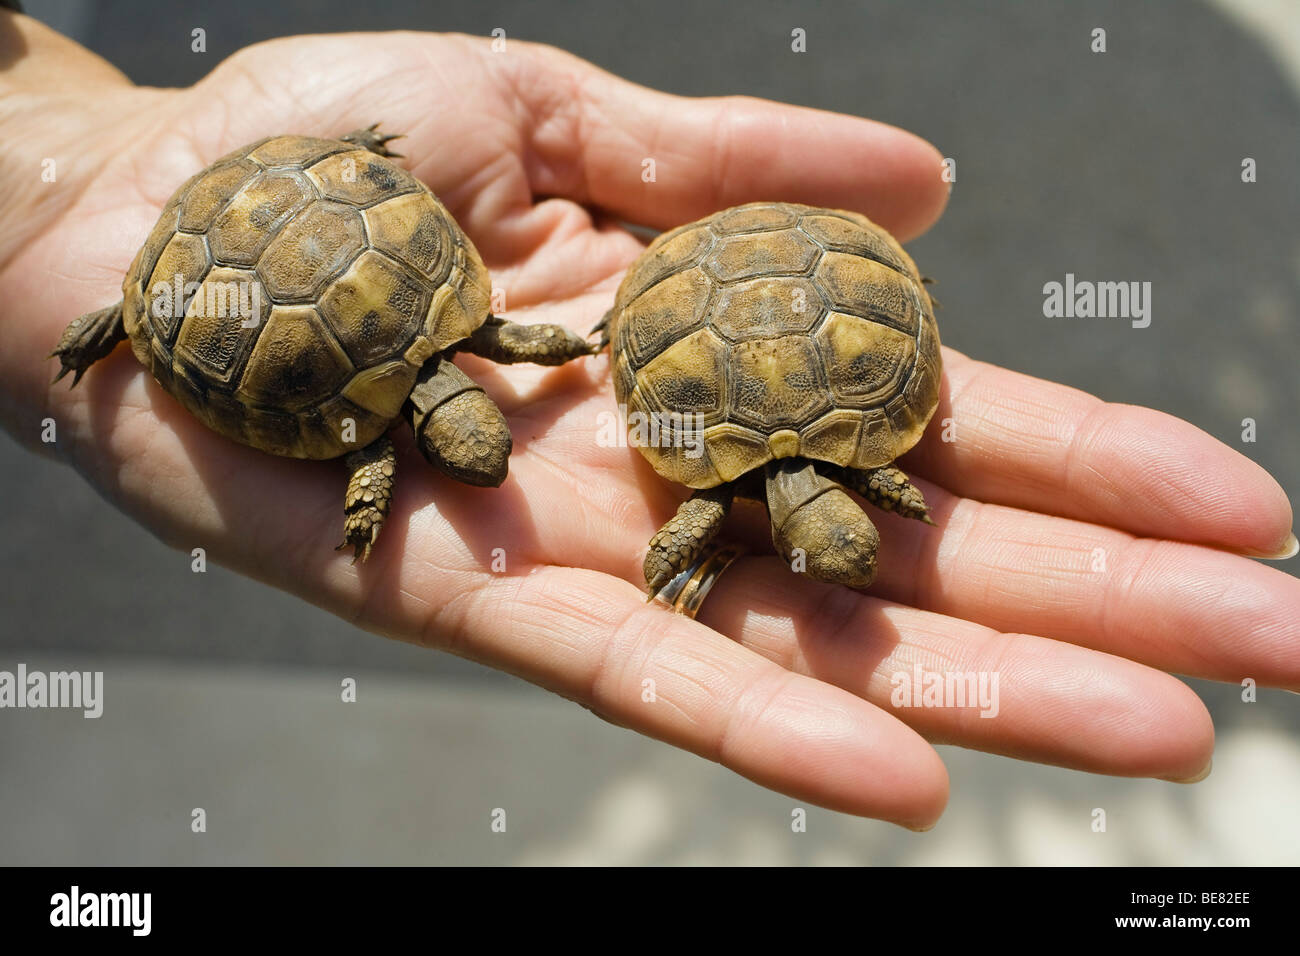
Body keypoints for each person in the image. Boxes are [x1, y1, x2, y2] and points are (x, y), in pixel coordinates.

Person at [3, 12, 1295, 830]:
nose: (490, 455)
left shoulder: (528, 372)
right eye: (477, 445)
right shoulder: (464, 355)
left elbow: (540, 368)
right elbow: (479, 383)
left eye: (478, 443)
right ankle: (134, 307)